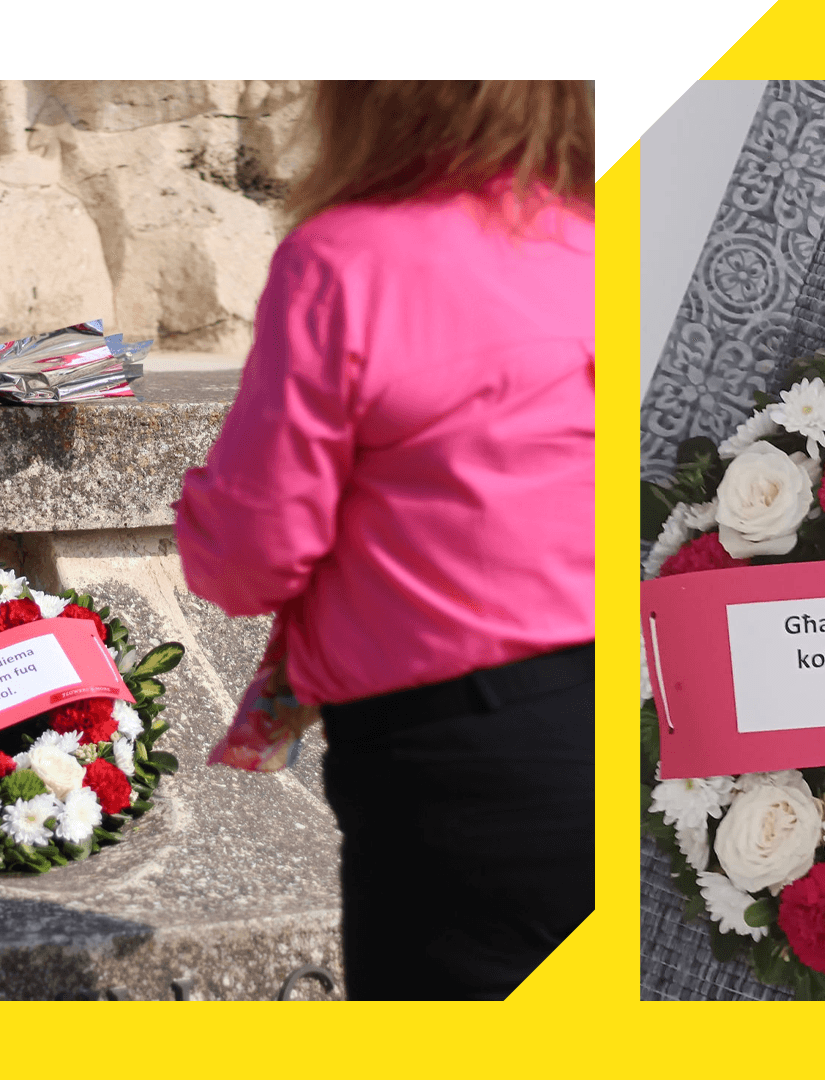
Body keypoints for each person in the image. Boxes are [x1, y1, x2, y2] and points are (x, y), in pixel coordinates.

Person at [171, 81, 595, 1000]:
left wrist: (202, 509)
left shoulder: (347, 257)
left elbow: (253, 553)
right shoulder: (598, 236)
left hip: (455, 752)